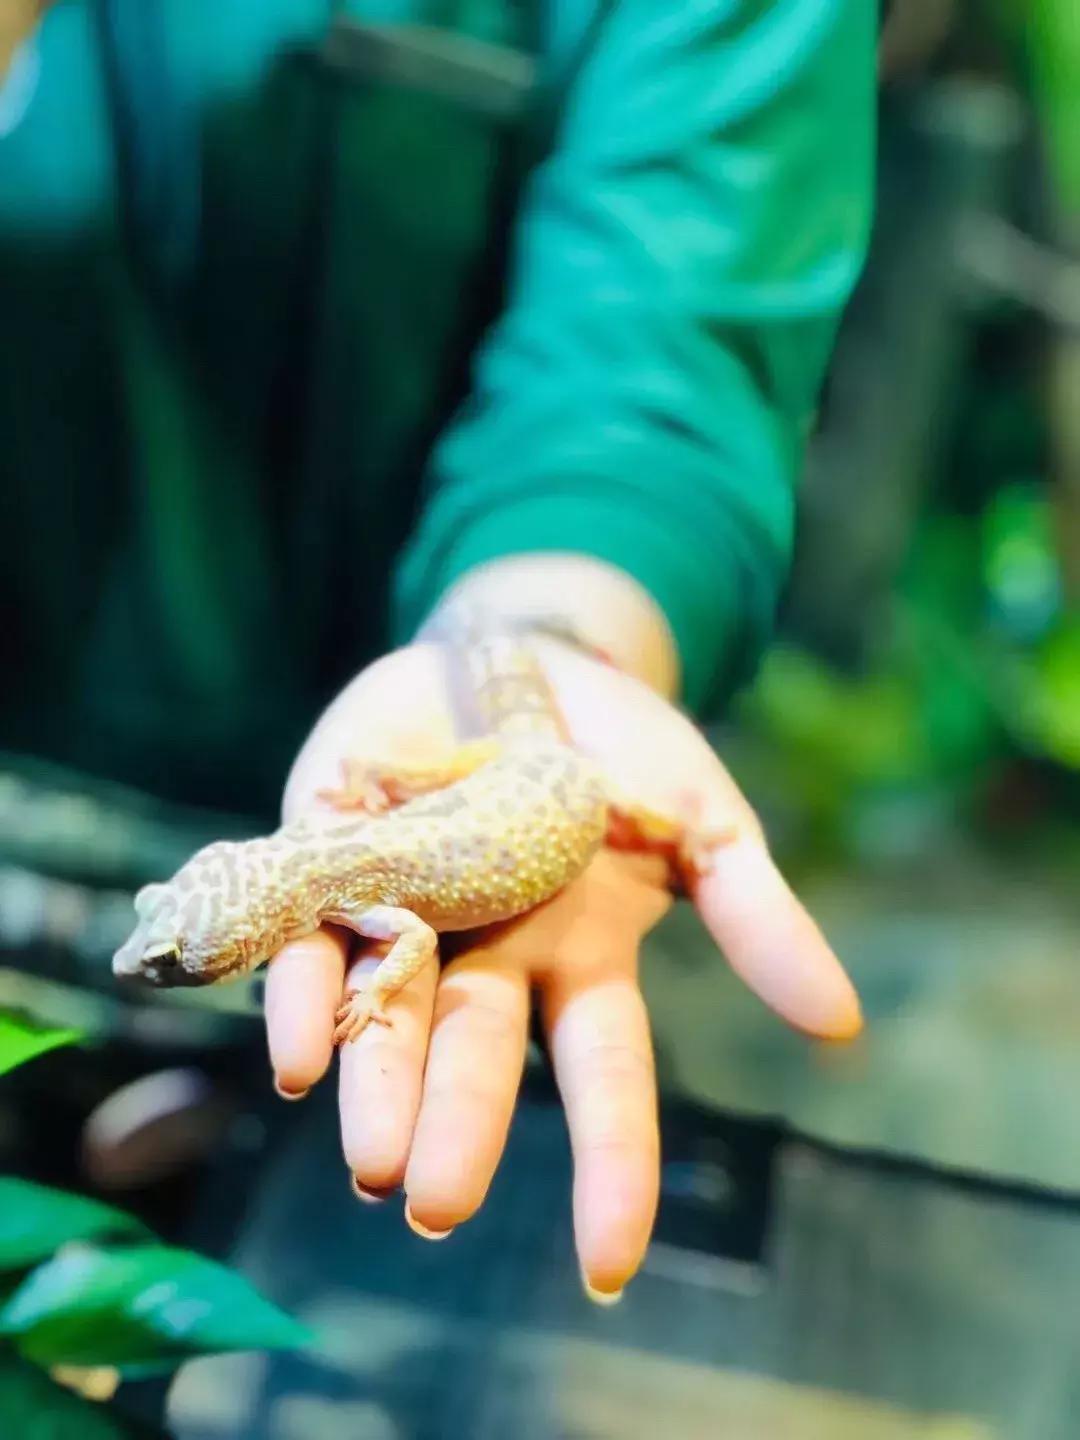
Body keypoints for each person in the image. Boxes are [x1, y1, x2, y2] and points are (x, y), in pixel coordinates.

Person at [1, 1, 875, 1303]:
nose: (170, 947)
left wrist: (548, 635)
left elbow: (662, 343)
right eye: (177, 939)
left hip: (525, 768)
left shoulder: (352, 886)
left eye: (182, 946)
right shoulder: (348, 873)